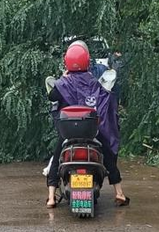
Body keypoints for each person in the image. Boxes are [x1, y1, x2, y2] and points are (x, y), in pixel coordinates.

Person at [45, 42, 130, 209]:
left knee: (56, 160)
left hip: (68, 133)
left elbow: (52, 96)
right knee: (109, 157)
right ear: (87, 60)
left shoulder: (63, 83)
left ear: (67, 61)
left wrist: (64, 77)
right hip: (93, 132)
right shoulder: (93, 82)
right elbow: (105, 100)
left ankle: (51, 198)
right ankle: (119, 193)